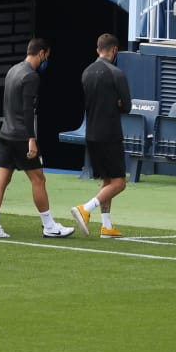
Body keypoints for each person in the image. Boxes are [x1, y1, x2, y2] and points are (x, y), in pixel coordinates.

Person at [0, 38, 74, 239]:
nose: (46, 60)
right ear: (41, 53)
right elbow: (28, 110)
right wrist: (31, 139)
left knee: (2, 178)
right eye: (47, 56)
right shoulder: (31, 76)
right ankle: (49, 226)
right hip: (21, 136)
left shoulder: (13, 70)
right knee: (38, 179)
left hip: (6, 133)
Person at [71, 33, 132, 238]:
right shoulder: (116, 74)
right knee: (119, 183)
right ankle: (85, 208)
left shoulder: (86, 72)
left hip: (92, 133)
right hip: (110, 133)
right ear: (114, 50)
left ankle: (106, 226)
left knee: (107, 180)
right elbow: (127, 107)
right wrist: (118, 104)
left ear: (98, 49)